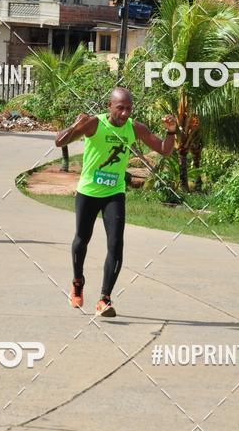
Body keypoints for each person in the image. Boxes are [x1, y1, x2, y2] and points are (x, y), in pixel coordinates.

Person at [55, 87, 177, 317]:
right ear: (109, 106)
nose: (124, 113)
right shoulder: (94, 124)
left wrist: (171, 132)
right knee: (82, 240)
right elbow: (59, 143)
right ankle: (78, 281)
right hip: (89, 192)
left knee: (116, 243)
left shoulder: (134, 128)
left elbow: (163, 149)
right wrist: (75, 126)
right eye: (120, 108)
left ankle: (104, 299)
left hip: (114, 193)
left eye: (128, 108)